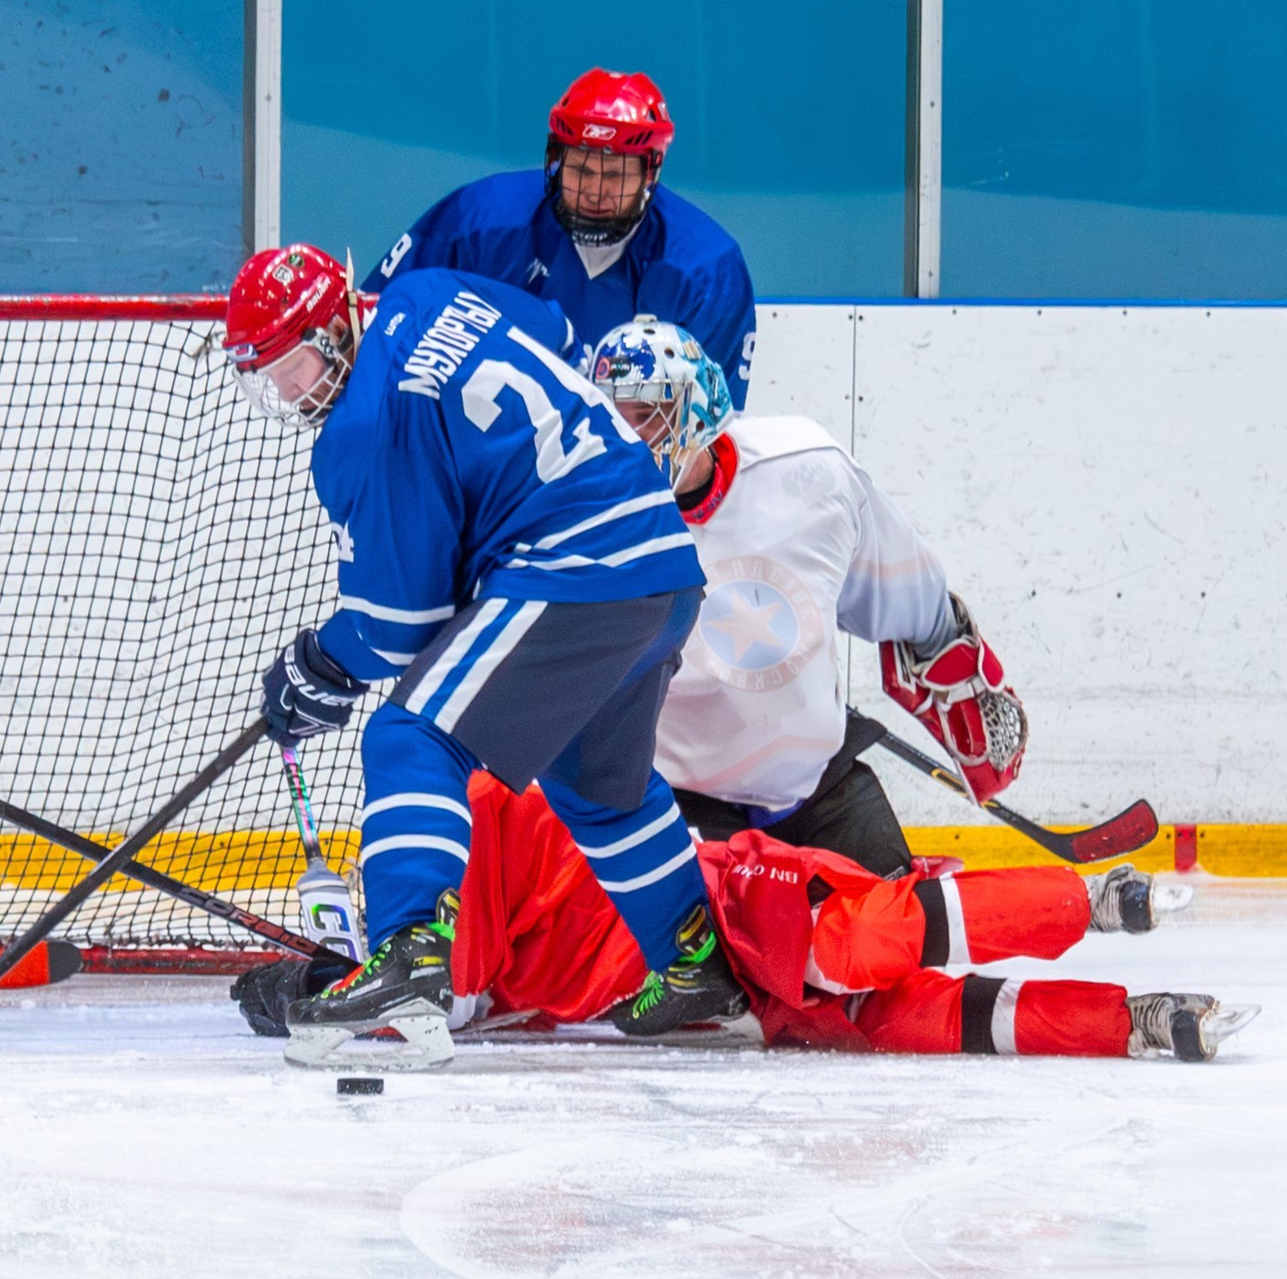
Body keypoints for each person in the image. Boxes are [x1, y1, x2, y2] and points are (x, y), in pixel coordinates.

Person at [224, 244, 731, 1069]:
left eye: (292, 361)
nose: (286, 389)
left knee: (409, 738)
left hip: (576, 570)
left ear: (335, 324)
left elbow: (397, 626)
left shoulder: (363, 423)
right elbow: (558, 330)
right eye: (266, 375)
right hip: (662, 560)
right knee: (596, 784)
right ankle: (697, 968)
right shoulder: (429, 290)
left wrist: (320, 663)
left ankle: (409, 958)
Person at [234, 774, 1256, 1062]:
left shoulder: (494, 804)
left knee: (857, 941)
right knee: (916, 1021)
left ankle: (1090, 898)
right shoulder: (481, 974)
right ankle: (1134, 1023)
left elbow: (440, 988)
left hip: (726, 910)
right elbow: (444, 1009)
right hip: (729, 1011)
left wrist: (332, 992)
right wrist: (324, 994)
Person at [587, 316, 1028, 880]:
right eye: (611, 417)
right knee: (740, 961)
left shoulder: (807, 471)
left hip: (818, 791)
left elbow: (901, 586)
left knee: (896, 941)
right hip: (679, 808)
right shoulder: (586, 521)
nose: (631, 439)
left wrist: (947, 653)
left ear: (698, 408)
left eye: (647, 415)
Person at [371, 69, 760, 406]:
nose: (594, 191)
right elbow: (377, 320)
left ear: (650, 173)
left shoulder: (708, 273)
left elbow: (708, 435)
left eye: (615, 176)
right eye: (581, 171)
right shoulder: (478, 223)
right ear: (556, 161)